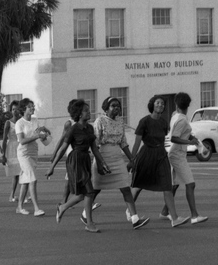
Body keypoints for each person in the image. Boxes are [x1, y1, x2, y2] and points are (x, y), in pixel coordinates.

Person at [84, 97, 149, 230]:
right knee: (96, 189)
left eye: (118, 106)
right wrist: (100, 162)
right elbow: (94, 144)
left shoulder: (120, 121)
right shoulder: (100, 121)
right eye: (113, 106)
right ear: (106, 108)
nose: (117, 108)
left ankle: (135, 219)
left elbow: (123, 143)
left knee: (125, 186)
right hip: (102, 156)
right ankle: (85, 213)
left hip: (117, 157)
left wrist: (132, 159)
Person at [46, 100, 110, 233]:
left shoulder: (90, 128)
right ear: (79, 114)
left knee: (84, 194)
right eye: (86, 110)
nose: (89, 112)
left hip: (85, 160)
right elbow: (63, 149)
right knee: (89, 192)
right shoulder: (73, 129)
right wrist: (52, 167)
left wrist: (102, 162)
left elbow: (94, 148)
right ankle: (89, 223)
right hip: (75, 161)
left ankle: (63, 208)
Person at [130, 95, 189, 228]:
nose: (160, 105)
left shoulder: (163, 123)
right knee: (139, 185)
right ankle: (130, 209)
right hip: (146, 154)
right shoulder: (144, 121)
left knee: (167, 185)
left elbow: (165, 138)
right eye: (158, 103)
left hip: (161, 155)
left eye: (162, 104)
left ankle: (174, 218)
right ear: (152, 105)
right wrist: (132, 160)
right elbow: (137, 143)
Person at [162, 93, 208, 224]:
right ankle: (194, 215)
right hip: (177, 154)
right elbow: (174, 138)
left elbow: (181, 134)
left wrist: (193, 139)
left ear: (176, 104)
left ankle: (165, 211)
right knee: (190, 184)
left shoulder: (175, 116)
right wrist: (190, 143)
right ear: (188, 105)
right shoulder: (182, 119)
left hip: (175, 153)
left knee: (174, 185)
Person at [15, 98, 50, 216]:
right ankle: (36, 209)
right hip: (23, 154)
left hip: (33, 153)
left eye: (33, 106)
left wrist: (44, 133)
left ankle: (19, 207)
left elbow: (39, 133)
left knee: (26, 181)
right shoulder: (19, 123)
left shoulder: (35, 120)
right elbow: (22, 140)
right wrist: (36, 136)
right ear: (24, 109)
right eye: (30, 106)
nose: (33, 108)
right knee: (33, 179)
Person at [1, 100, 22, 202]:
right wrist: (3, 154)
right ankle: (12, 195)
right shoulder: (8, 123)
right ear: (10, 111)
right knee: (16, 173)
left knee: (23, 171)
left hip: (21, 146)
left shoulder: (22, 121)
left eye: (17, 109)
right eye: (13, 109)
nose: (15, 111)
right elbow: (4, 139)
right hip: (12, 148)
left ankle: (24, 195)